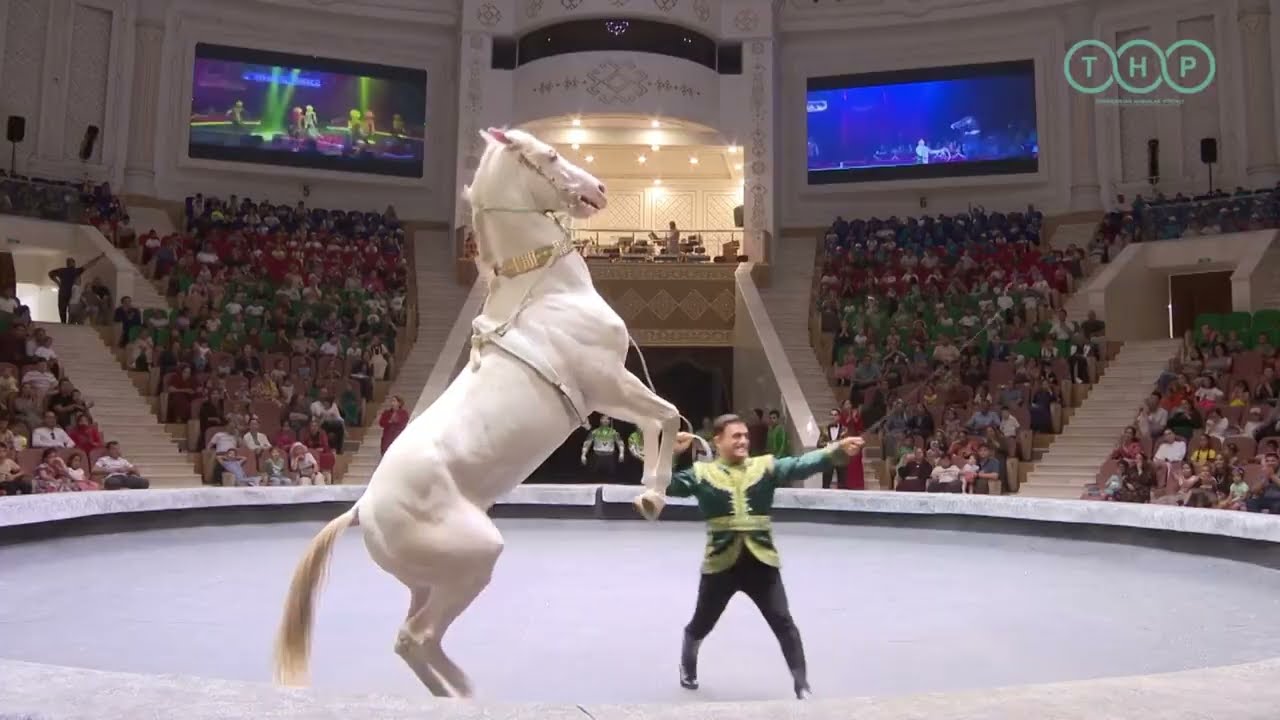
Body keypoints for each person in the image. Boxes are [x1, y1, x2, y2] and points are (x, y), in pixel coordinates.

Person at [638, 414, 865, 700]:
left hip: (762, 563)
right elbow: (662, 486)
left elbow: (800, 465)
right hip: (720, 564)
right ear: (717, 440)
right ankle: (688, 662)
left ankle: (801, 683)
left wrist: (836, 451)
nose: (743, 440)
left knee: (783, 621)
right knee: (702, 623)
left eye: (745, 435)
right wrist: (670, 454)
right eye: (736, 436)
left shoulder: (765, 466)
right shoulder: (700, 474)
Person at [48, 255, 105, 324]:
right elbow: (89, 264)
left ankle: (64, 324)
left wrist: (58, 283)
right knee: (71, 311)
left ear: (67, 264)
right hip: (71, 295)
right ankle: (69, 324)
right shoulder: (75, 271)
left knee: (63, 311)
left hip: (63, 293)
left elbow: (50, 273)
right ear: (73, 263)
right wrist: (99, 257)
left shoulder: (62, 270)